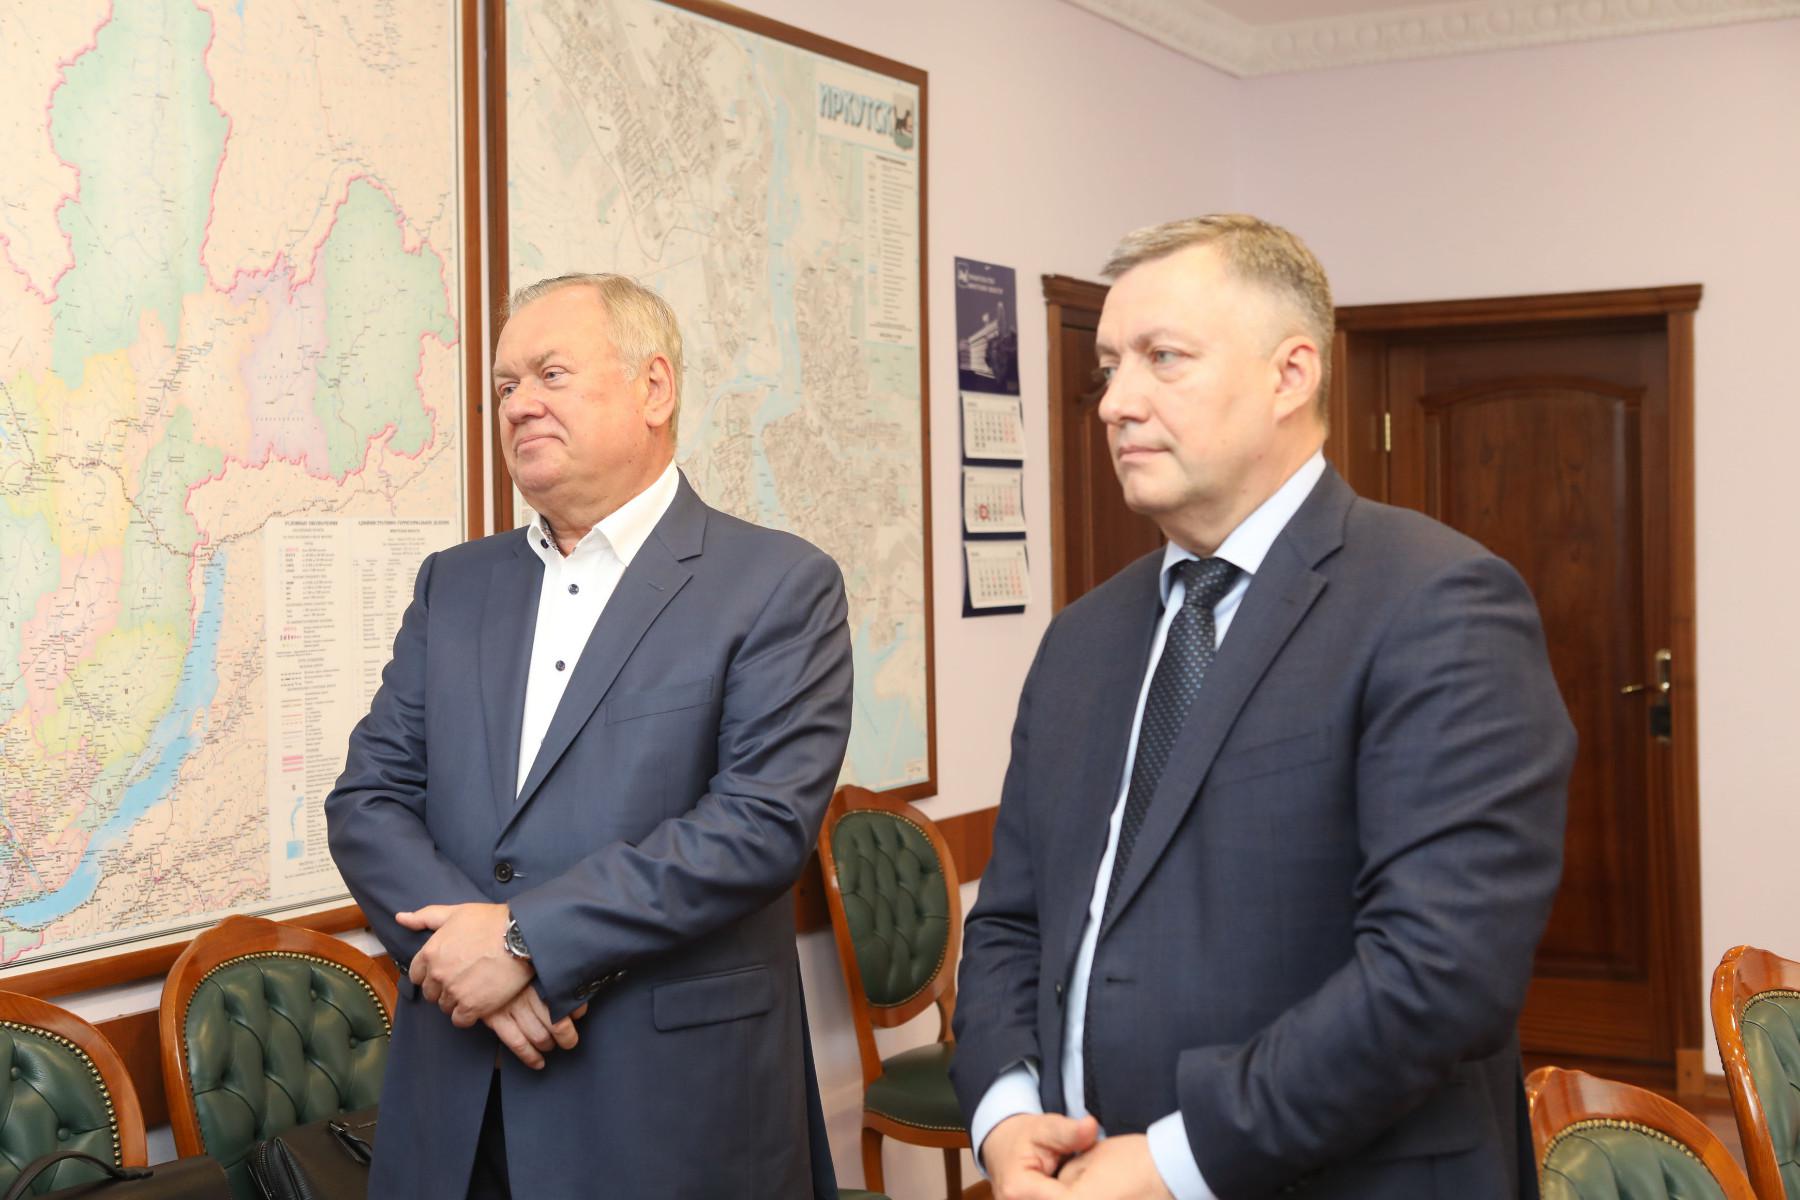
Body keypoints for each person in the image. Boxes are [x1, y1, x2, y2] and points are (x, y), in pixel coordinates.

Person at [951, 215, 1574, 1199]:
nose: (1116, 402)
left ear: (1291, 375)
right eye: (1109, 368)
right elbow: (1012, 923)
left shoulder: (1438, 604)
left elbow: (1439, 972)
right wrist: (1005, 1112)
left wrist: (1173, 1161)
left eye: (1163, 358)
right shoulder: (1082, 640)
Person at [325, 273, 852, 1198]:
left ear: (655, 388)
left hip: (665, 1117)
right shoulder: (454, 585)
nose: (518, 403)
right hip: (456, 1108)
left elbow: (758, 827)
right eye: (504, 385)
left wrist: (523, 943)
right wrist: (468, 962)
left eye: (551, 374)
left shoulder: (777, 586)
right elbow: (368, 800)